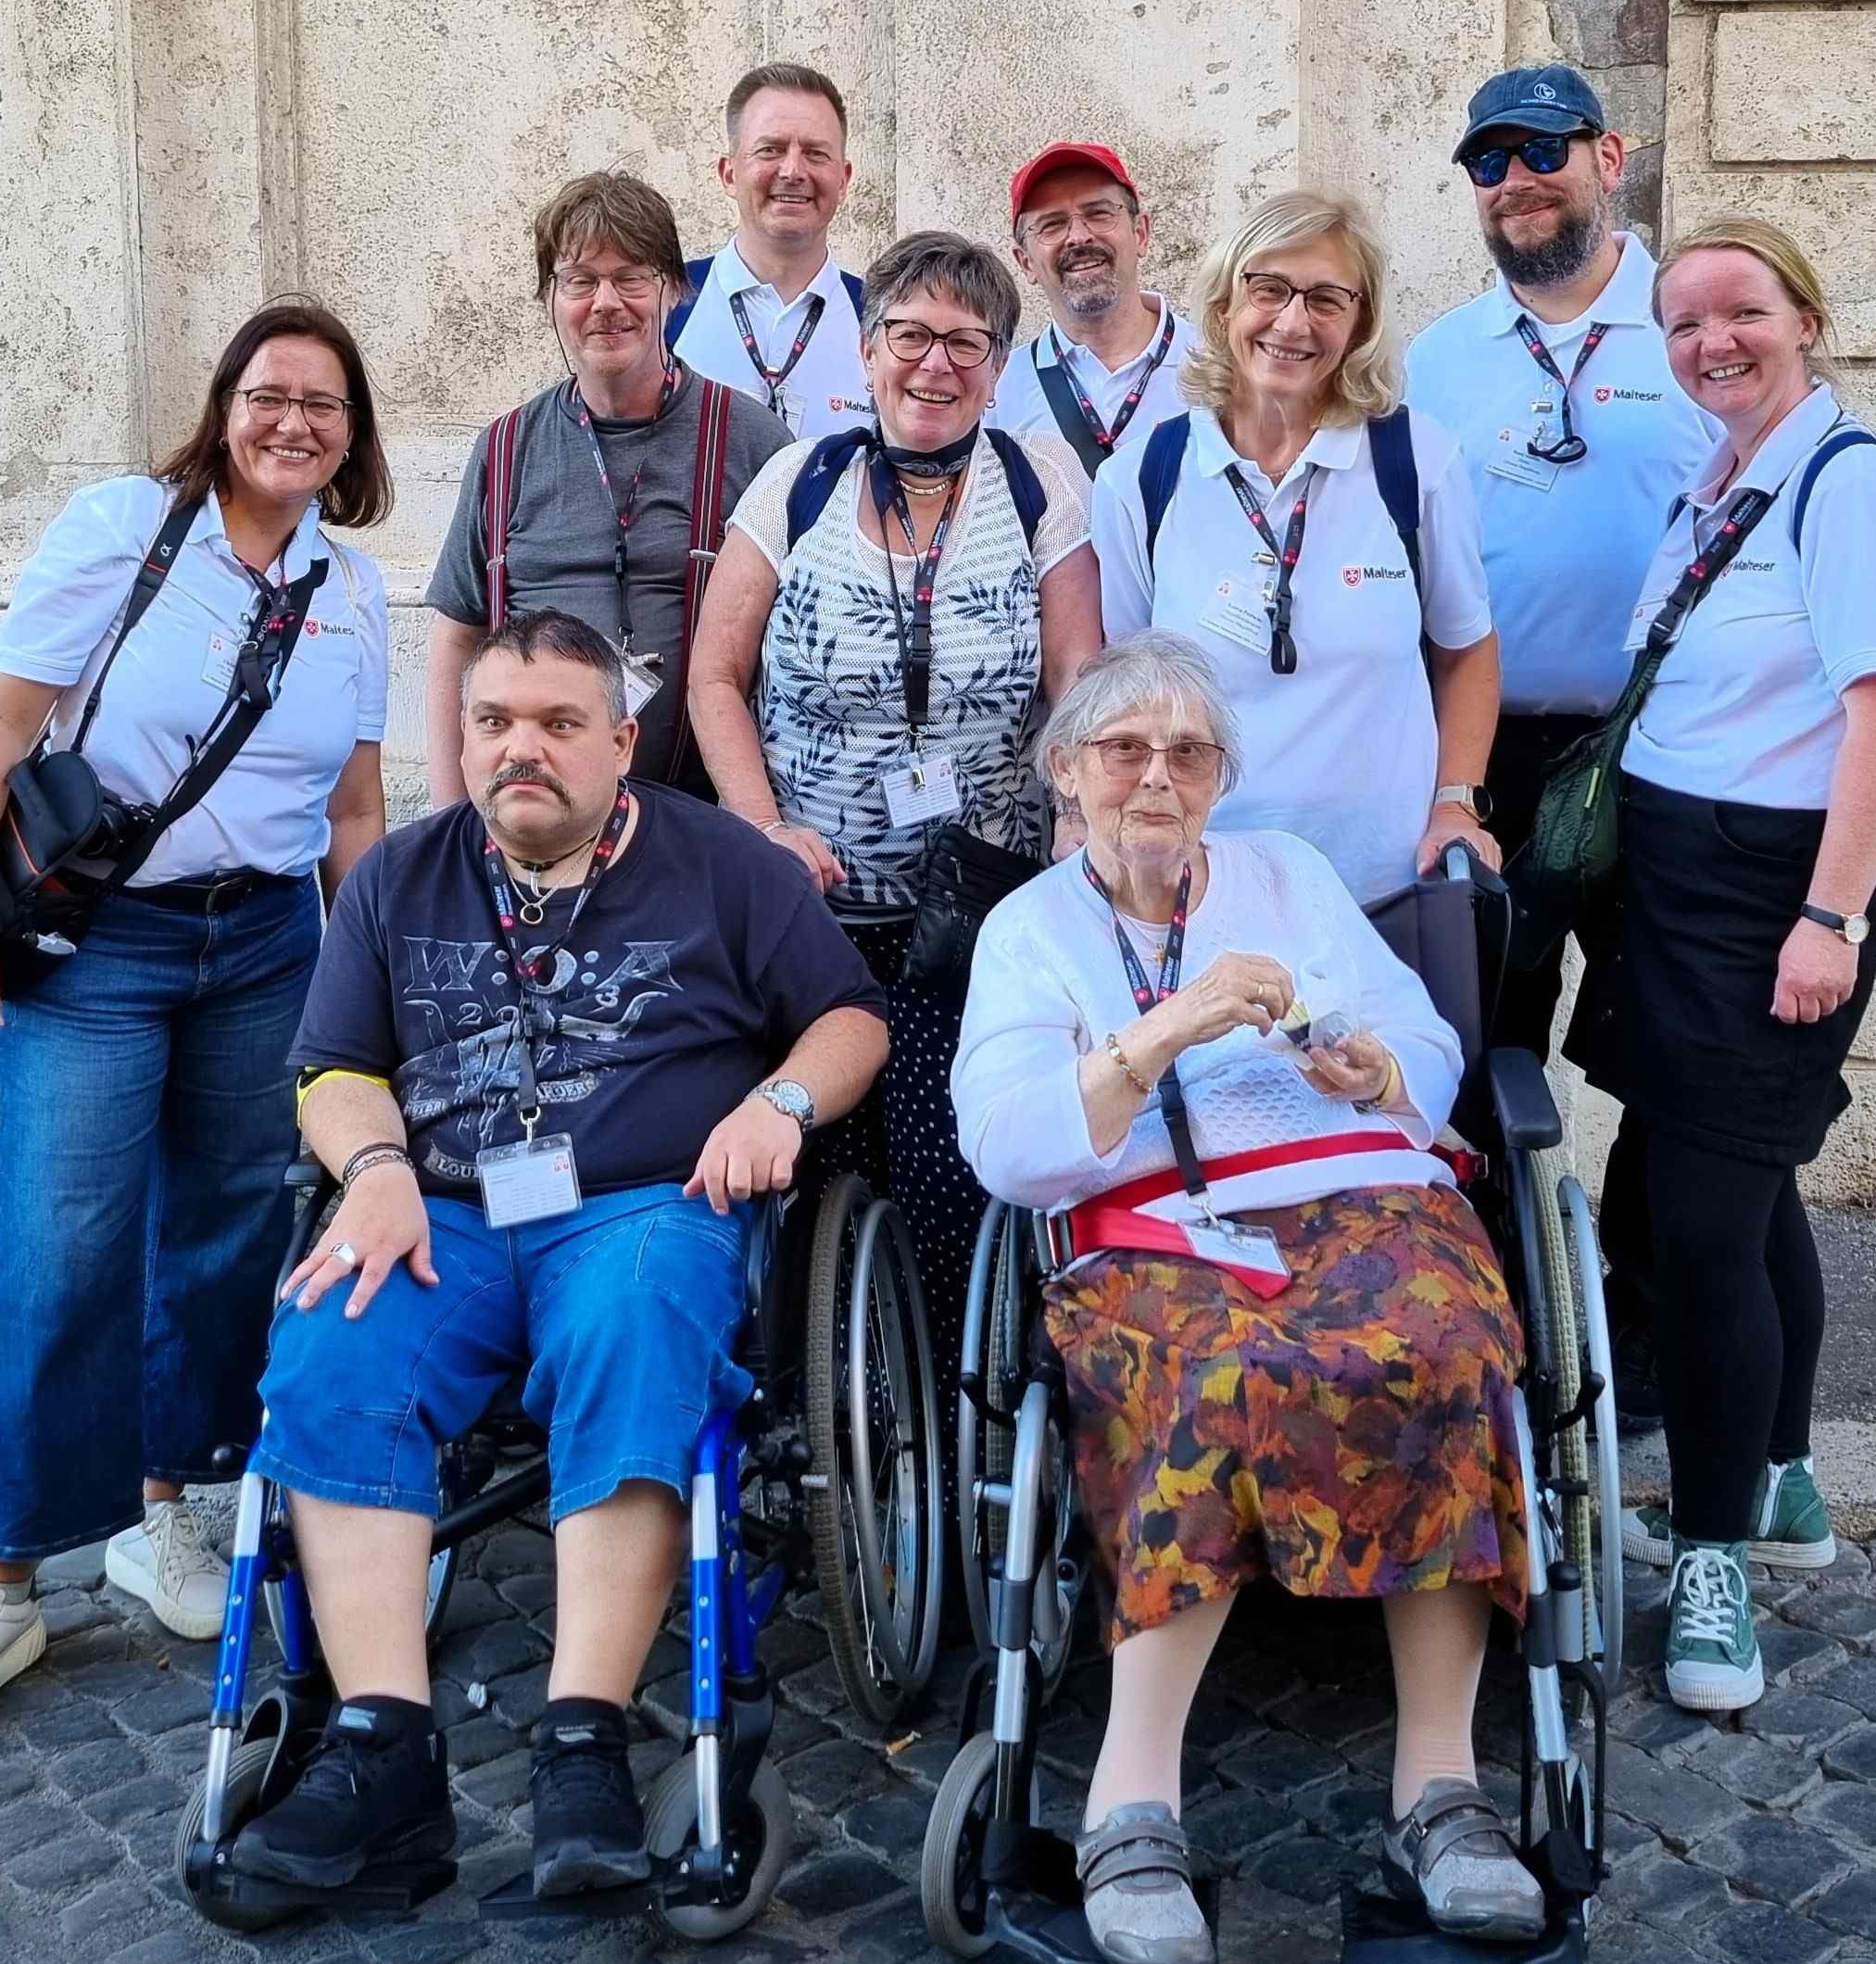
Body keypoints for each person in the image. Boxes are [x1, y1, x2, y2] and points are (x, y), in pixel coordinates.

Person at [231, 610, 888, 1897]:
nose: (521, 747)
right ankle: (383, 1747)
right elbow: (332, 1068)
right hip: (447, 1211)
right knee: (326, 1349)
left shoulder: (722, 865)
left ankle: (583, 1731)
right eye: (494, 722)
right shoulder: (397, 877)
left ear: (622, 742)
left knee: (635, 1331)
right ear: (462, 738)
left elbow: (849, 1019)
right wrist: (369, 1171)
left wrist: (780, 1104)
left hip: (643, 1203)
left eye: (557, 723)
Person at [1404, 63, 1876, 1417]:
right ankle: (1490, 1344)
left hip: (1660, 777)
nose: (1516, 181)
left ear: (1605, 156)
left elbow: (1828, 507)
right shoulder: (1438, 358)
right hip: (1486, 761)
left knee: (1676, 1087)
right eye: (1488, 161)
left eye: (1542, 150)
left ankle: (1657, 1370)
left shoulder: (1696, 317)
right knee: (1480, 1048)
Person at [953, 634, 1540, 1964]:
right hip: (1152, 1226)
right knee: (1216, 1374)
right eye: (1123, 750)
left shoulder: (1290, 877)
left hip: (1358, 1191)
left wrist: (1374, 1062)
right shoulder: (1030, 931)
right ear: (1066, 772)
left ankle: (1440, 1792)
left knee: (1448, 1347)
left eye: (1189, 753)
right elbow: (1010, 1143)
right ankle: (1130, 1800)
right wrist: (1171, 1025)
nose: (1156, 777)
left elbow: (1429, 1051)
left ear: (1221, 777)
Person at [0, 299, 394, 1745]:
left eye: (325, 404)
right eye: (268, 393)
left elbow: (353, 812)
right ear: (224, 405)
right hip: (97, 944)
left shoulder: (350, 591)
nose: (293, 420)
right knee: (66, 1239)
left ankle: (162, 1507)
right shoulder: (124, 527)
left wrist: (364, 987)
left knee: (228, 1225)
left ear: (351, 439)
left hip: (265, 944)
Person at [1562, 220, 1876, 1714]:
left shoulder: (1855, 488)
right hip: (1673, 881)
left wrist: (1830, 920)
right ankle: (1780, 1483)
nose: (1712, 341)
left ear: (1808, 314)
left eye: (1742, 313)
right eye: (1684, 324)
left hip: (1769, 896)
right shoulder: (1723, 477)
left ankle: (1712, 1557)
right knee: (1746, 1185)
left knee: (1707, 1229)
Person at [689, 229, 1102, 1442]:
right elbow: (715, 676)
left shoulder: (1035, 483)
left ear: (996, 361)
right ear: (867, 354)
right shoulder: (799, 481)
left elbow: (1077, 687)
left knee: (946, 1161)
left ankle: (942, 1425)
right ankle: (825, 1432)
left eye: (964, 342)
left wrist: (1078, 828)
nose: (935, 363)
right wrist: (759, 827)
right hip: (810, 904)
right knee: (809, 1156)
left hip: (975, 907)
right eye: (909, 335)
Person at [1091, 190, 1500, 904]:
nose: (1291, 321)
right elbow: (1128, 685)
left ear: (1359, 322)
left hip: (1384, 887)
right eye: (1268, 289)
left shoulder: (1417, 463)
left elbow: (1464, 648)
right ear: (1223, 307)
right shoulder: (1140, 479)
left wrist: (1455, 800)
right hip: (1200, 885)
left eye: (1324, 299)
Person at [424, 171, 794, 804]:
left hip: (700, 816)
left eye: (631, 277)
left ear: (674, 289)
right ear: (550, 297)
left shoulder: (753, 442)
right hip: (532, 812)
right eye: (580, 280)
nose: (606, 302)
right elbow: (459, 632)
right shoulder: (507, 449)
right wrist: (450, 816)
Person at [667, 63, 875, 437]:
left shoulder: (881, 319)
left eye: (815, 154)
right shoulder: (667, 303)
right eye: (770, 150)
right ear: (729, 173)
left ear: (843, 180)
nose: (793, 171)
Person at [989, 143, 1198, 481]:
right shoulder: (998, 389)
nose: (1078, 237)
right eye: (1051, 225)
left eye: (1099, 213)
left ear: (1141, 233)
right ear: (1025, 261)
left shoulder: (1220, 364)